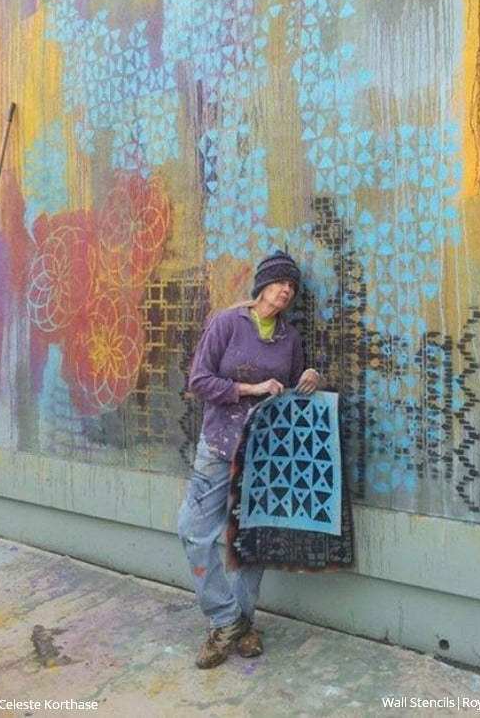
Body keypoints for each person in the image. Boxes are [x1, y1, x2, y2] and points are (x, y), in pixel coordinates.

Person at [177, 251, 320, 669]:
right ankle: (225, 617)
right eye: (280, 282)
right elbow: (199, 381)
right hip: (219, 445)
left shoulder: (290, 339)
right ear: (262, 285)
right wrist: (250, 388)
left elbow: (290, 394)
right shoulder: (227, 323)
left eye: (292, 286)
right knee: (192, 530)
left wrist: (310, 378)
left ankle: (243, 621)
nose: (287, 290)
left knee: (251, 540)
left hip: (263, 452)